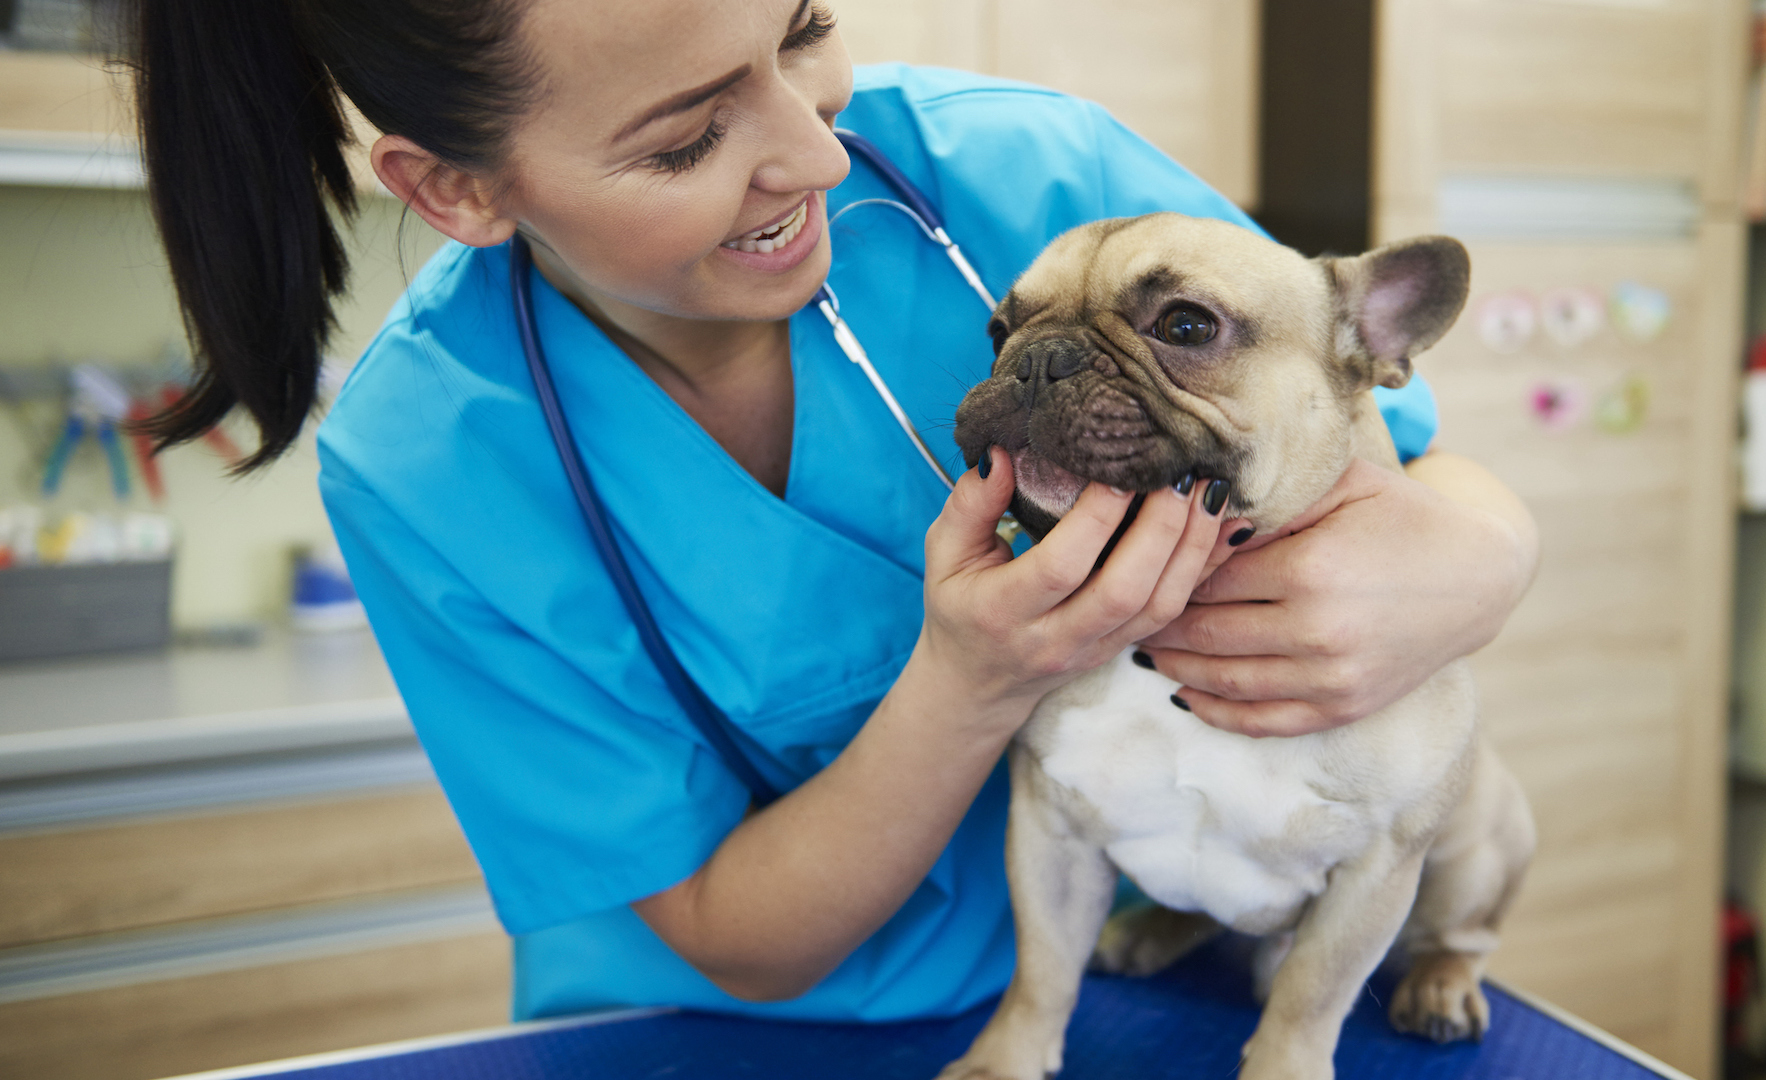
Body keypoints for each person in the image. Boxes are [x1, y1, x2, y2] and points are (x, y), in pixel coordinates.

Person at [131, 0, 1539, 1026]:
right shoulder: (428, 460)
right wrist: (976, 679)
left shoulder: (1025, 169)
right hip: (723, 1048)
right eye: (687, 138)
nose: (812, 153)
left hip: (1141, 983)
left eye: (802, 26)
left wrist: (1483, 548)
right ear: (457, 188)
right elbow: (730, 938)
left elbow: (1378, 441)